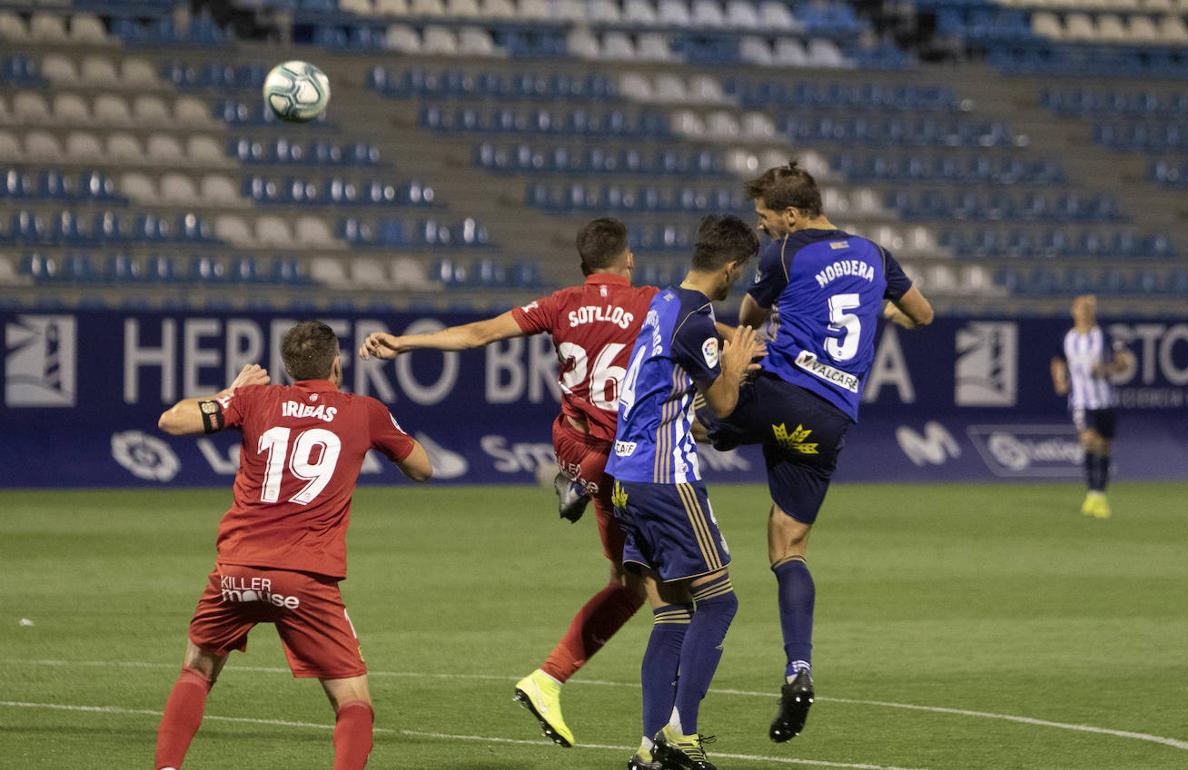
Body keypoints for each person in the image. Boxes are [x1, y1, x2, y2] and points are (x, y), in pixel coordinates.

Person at [357, 217, 658, 748]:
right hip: (625, 459)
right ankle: (666, 732)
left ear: (583, 264)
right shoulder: (651, 302)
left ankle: (551, 679)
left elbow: (477, 335)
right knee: (672, 596)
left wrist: (404, 343)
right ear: (627, 260)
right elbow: (709, 328)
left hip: (578, 444)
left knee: (630, 583)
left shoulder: (561, 303)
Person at [698, 162, 934, 743]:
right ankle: (798, 667)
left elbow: (749, 318)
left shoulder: (788, 253)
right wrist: (885, 308)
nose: (766, 232)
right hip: (829, 421)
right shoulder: (877, 254)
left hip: (778, 391)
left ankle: (595, 469)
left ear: (794, 215)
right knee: (788, 544)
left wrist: (763, 313)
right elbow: (924, 315)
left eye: (768, 220)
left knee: (699, 412)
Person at [153, 321, 432, 770]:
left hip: (237, 571)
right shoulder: (364, 411)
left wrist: (230, 391)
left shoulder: (254, 399)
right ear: (337, 363)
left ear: (287, 367)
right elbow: (422, 468)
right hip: (304, 577)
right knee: (352, 699)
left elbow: (172, 419)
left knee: (198, 669)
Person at [608, 214, 763, 770]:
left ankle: (650, 749)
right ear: (730, 267)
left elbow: (665, 398)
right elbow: (721, 404)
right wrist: (737, 368)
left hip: (626, 478)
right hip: (664, 479)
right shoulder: (695, 320)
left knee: (672, 615)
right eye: (739, 273)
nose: (736, 282)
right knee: (720, 602)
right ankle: (681, 733)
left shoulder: (661, 306)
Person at [1050, 294, 1131, 518]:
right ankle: (1092, 494)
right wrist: (1059, 379)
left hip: (1105, 400)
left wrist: (1106, 369)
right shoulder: (1067, 339)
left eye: (1088, 308)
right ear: (1073, 311)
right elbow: (1058, 360)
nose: (1084, 311)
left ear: (1093, 311)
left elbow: (1124, 362)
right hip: (1081, 401)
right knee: (1088, 439)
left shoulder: (1105, 336)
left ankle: (1099, 495)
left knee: (1104, 446)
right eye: (1080, 307)